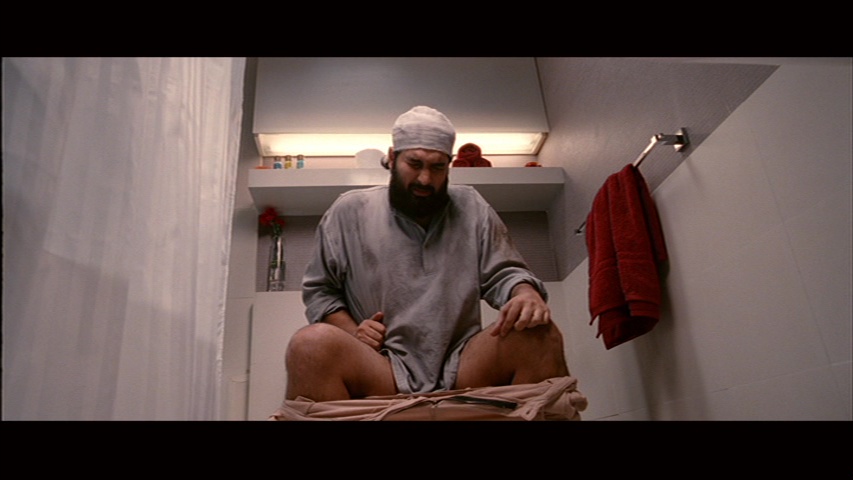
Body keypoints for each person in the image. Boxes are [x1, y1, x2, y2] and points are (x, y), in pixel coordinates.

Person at [284, 105, 570, 402]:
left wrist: (525, 294)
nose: (424, 178)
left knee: (539, 332)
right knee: (309, 344)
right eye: (414, 163)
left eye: (437, 167)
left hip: (463, 364)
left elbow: (504, 273)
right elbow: (320, 291)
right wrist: (354, 331)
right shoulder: (349, 210)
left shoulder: (471, 206)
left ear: (449, 165)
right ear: (393, 157)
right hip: (382, 365)